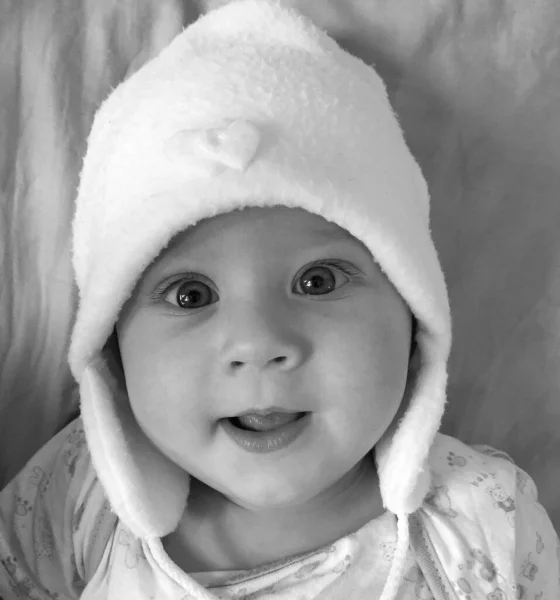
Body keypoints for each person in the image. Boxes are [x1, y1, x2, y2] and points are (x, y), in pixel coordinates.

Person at [1, 1, 558, 598]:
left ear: (414, 313)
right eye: (190, 295)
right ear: (112, 350)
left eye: (317, 281)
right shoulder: (79, 492)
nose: (259, 343)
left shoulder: (482, 522)